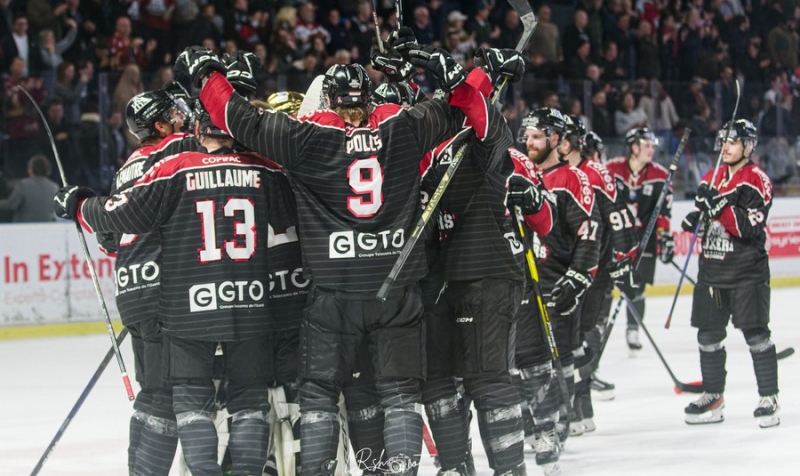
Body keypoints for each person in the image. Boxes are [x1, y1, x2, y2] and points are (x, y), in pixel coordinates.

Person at [173, 32, 511, 475]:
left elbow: (236, 118)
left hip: (333, 296)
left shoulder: (309, 137)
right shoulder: (402, 127)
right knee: (400, 396)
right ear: (368, 98)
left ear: (329, 100)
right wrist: (486, 70)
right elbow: (463, 103)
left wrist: (208, 73)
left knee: (317, 398)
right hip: (396, 291)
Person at [54, 105, 288, 475]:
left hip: (188, 307)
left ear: (198, 128)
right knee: (249, 403)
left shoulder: (176, 167)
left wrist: (79, 204)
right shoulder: (260, 167)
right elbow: (295, 212)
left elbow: (117, 219)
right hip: (251, 303)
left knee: (191, 404)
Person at [414, 47, 534, 476]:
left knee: (486, 378)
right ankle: (454, 467)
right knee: (437, 380)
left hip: (487, 273)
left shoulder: (488, 136)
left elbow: (470, 104)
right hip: (441, 280)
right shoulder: (435, 145)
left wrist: (465, 76)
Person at [92, 86, 201, 476]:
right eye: (173, 112)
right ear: (159, 123)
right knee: (171, 394)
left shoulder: (125, 169)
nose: (181, 115)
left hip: (132, 289)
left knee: (152, 391)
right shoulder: (178, 150)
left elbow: (109, 239)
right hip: (165, 290)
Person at [514, 107, 600, 475]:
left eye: (536, 136)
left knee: (560, 356)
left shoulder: (570, 177)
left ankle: (565, 417)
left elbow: (588, 232)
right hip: (525, 282)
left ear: (555, 140)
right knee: (528, 362)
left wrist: (578, 277)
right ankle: (538, 421)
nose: (528, 142)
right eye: (527, 136)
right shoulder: (520, 172)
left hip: (557, 280)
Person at [681, 119, 779, 429]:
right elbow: (709, 216)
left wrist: (720, 206)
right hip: (712, 271)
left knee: (756, 334)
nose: (725, 147)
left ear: (748, 147)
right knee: (708, 335)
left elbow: (750, 228)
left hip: (746, 272)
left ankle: (768, 398)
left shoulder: (756, 180)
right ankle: (714, 395)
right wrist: (695, 217)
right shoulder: (712, 176)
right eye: (722, 141)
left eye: (732, 142)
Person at [558, 118, 639, 433]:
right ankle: (579, 410)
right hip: (562, 269)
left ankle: (579, 410)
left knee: (575, 340)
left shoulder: (596, 172)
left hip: (592, 271)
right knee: (569, 342)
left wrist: (622, 260)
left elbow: (619, 219)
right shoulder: (555, 171)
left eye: (562, 139)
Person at [605, 127, 672, 354]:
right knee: (604, 286)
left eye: (653, 146)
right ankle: (597, 328)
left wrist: (665, 237)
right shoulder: (611, 169)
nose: (651, 150)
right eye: (647, 145)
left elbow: (663, 213)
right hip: (614, 239)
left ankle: (633, 330)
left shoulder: (660, 175)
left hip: (644, 241)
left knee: (637, 288)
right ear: (634, 147)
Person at [0, 155, 59, 222]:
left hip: (24, 228)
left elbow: (11, 204)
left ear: (31, 169)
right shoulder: (54, 187)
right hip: (47, 228)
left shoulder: (23, 185)